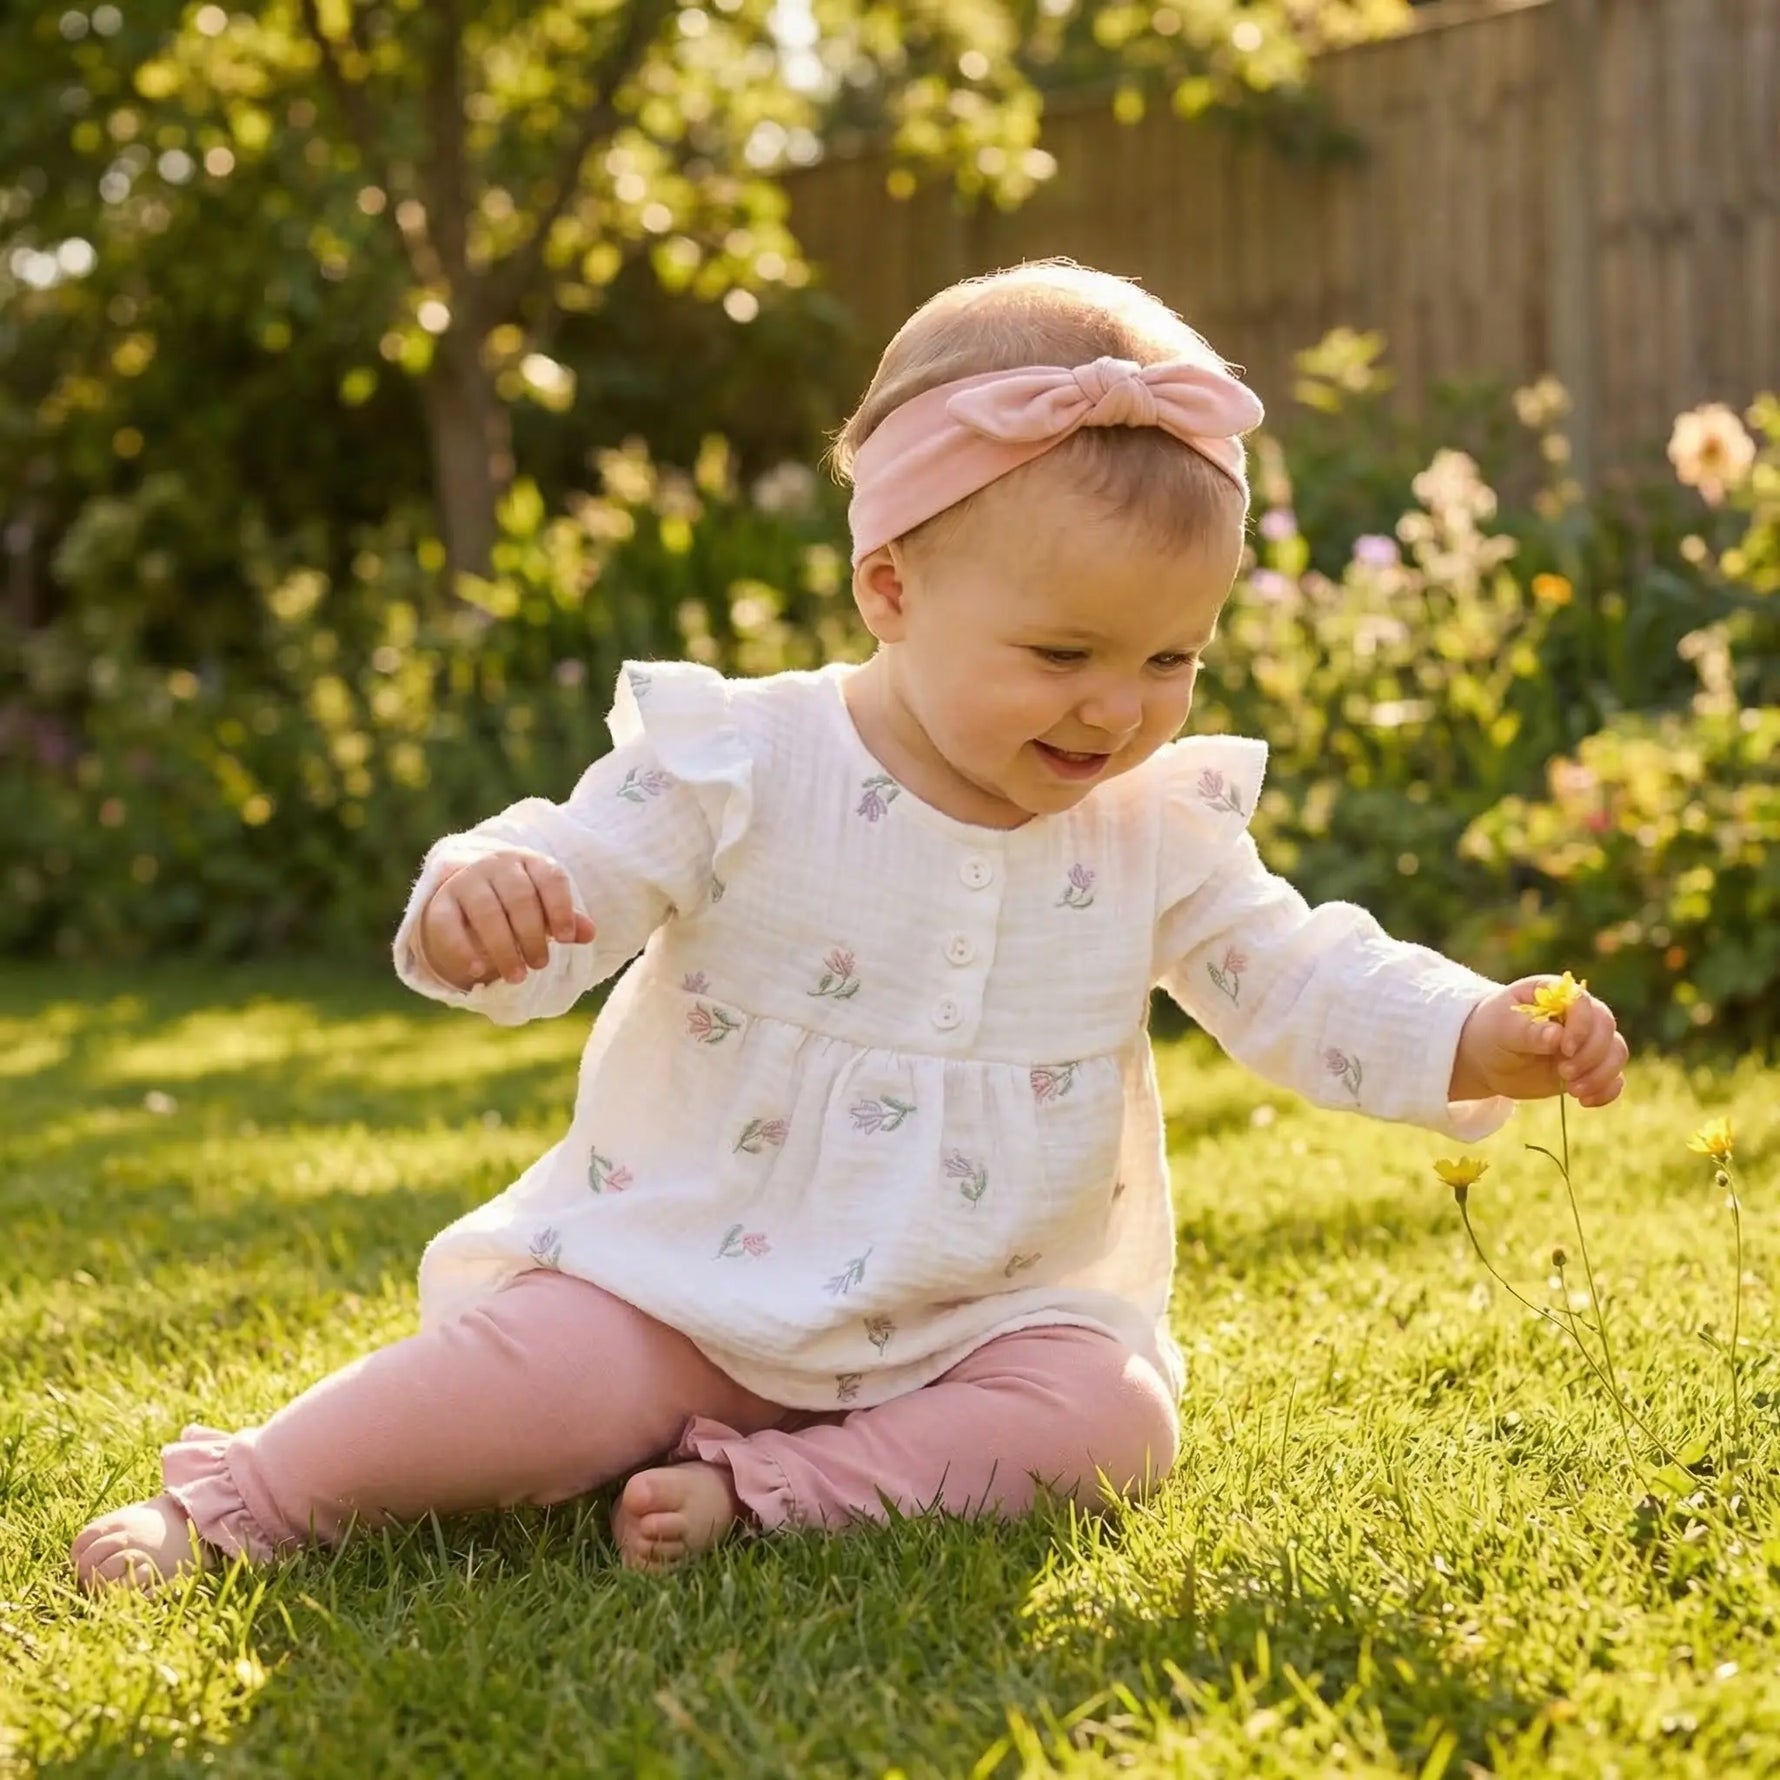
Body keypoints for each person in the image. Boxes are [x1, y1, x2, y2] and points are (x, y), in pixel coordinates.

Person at [72, 260, 1628, 1590]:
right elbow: (581, 868)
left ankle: (769, 1492)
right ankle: (243, 1503)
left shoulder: (1154, 829)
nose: (1118, 707)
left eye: (1174, 660)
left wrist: (1465, 1028)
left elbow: (1296, 971)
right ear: (889, 586)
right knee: (534, 1376)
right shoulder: (743, 759)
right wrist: (493, 889)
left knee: (1112, 1416)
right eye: (1065, 650)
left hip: (981, 1312)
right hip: (686, 1284)